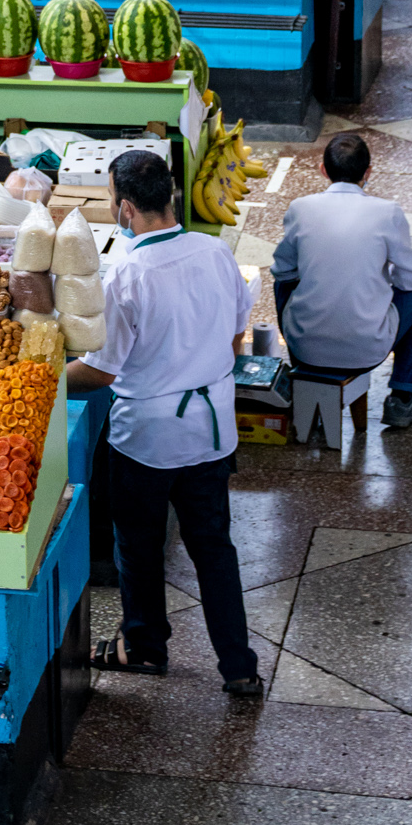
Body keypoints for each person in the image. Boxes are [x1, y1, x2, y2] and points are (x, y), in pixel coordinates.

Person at [66, 149, 262, 696]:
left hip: (147, 438)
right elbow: (235, 338)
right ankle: (239, 666)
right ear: (170, 196)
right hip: (213, 429)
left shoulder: (125, 272)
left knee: (138, 544)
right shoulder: (216, 252)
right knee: (214, 549)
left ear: (125, 208)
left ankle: (145, 647)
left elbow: (101, 374)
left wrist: (49, 376)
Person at [271, 130, 412, 431]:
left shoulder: (301, 208)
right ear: (368, 172)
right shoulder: (388, 212)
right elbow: (411, 281)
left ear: (323, 170)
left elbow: (283, 270)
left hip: (305, 347)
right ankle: (403, 399)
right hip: (366, 351)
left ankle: (302, 369)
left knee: (283, 284)